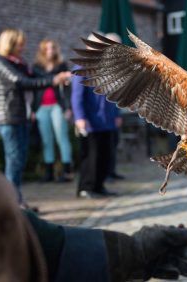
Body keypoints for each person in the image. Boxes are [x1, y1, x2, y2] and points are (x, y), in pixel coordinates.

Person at [0, 75, 187, 281]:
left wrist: (131, 252)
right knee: (90, 161)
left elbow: (19, 237)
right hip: (92, 124)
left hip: (103, 124)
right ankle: (88, 187)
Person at [0, 29, 71, 206]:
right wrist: (53, 81)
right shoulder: (0, 62)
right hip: (9, 117)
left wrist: (58, 77)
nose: (22, 47)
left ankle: (17, 199)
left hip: (21, 116)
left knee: (20, 160)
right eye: (19, 44)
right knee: (14, 160)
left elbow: (37, 76)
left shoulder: (19, 62)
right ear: (10, 44)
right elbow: (21, 82)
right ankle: (13, 203)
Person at [71, 32, 121, 198]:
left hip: (106, 121)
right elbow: (77, 96)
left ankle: (99, 186)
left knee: (104, 156)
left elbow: (114, 94)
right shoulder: (81, 68)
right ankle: (86, 188)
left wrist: (117, 114)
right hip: (90, 121)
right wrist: (79, 117)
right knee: (90, 157)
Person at [32, 39, 73, 182]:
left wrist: (68, 108)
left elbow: (68, 88)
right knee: (46, 140)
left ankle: (67, 171)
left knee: (61, 138)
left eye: (52, 48)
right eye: (47, 48)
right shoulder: (37, 67)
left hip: (58, 106)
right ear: (43, 50)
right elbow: (33, 87)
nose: (50, 51)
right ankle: (48, 172)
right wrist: (32, 109)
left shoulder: (62, 65)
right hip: (41, 107)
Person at [104, 32, 126, 181]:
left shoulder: (117, 66)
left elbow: (116, 93)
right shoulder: (103, 65)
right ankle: (106, 173)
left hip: (112, 111)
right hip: (101, 113)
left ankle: (112, 171)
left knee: (113, 142)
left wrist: (117, 114)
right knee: (104, 146)